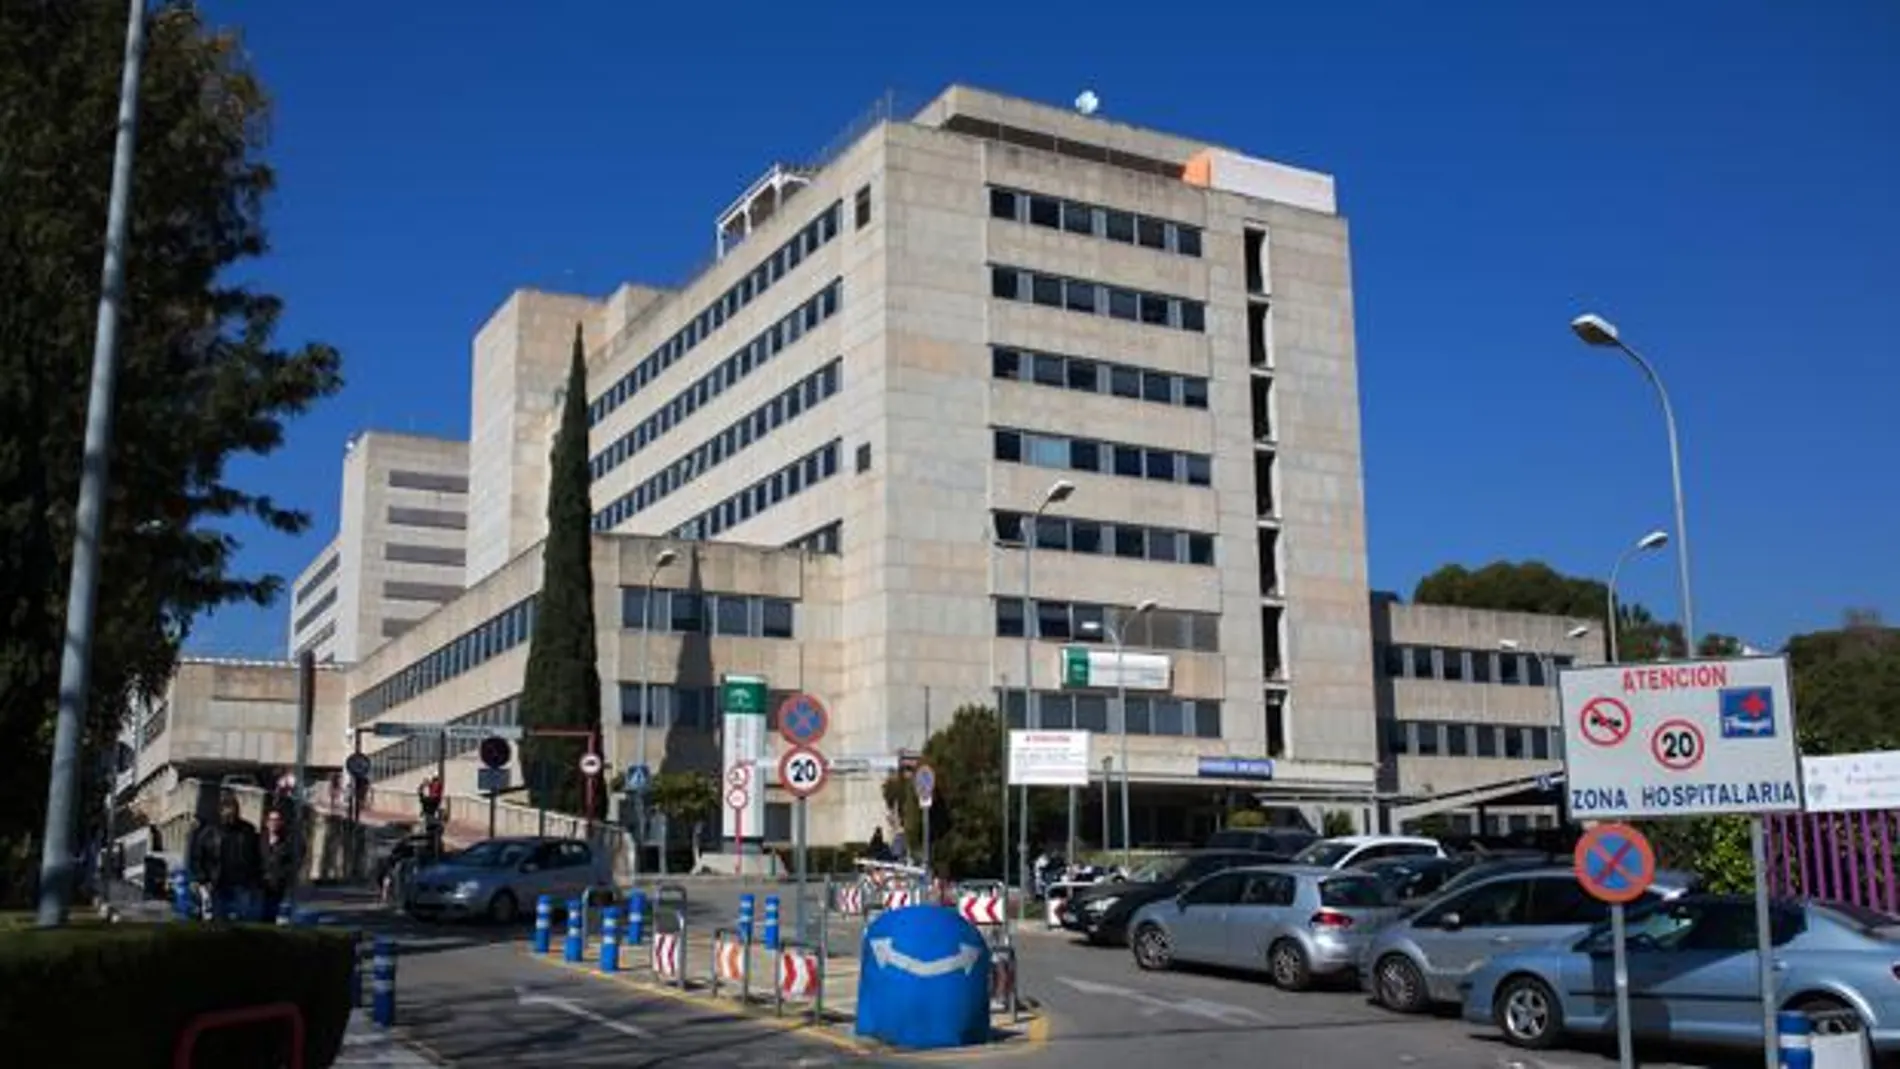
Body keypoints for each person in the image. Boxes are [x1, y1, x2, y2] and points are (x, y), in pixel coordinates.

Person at [190, 791, 263, 921]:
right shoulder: (210, 832)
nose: (230, 813)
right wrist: (203, 879)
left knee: (244, 917)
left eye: (233, 809)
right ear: (221, 811)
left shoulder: (247, 830)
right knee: (218, 918)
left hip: (242, 882)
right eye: (226, 809)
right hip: (217, 882)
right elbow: (197, 857)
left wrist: (255, 878)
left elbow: (256, 855)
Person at [259, 806, 298, 922]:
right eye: (271, 820)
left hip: (278, 886)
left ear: (281, 823)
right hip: (259, 885)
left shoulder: (287, 842)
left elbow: (293, 862)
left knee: (273, 915)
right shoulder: (260, 840)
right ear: (267, 822)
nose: (274, 823)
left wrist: (284, 876)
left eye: (277, 820)